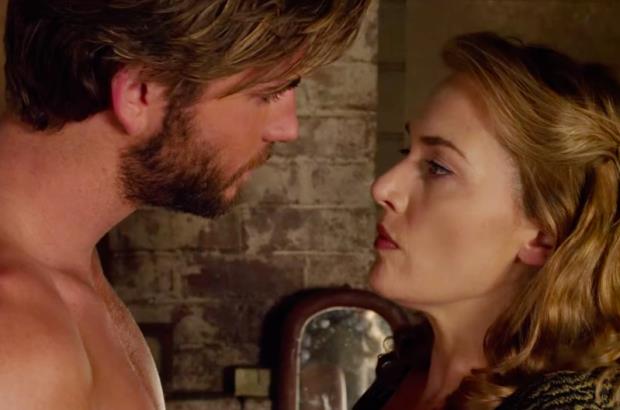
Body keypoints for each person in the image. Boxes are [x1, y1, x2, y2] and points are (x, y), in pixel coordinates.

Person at [0, 1, 371, 409]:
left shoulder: (66, 261)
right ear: (140, 92)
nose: (287, 128)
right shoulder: (17, 342)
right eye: (267, 93)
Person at [355, 32, 620, 409]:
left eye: (437, 167)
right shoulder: (400, 377)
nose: (383, 187)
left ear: (542, 236)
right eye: (406, 150)